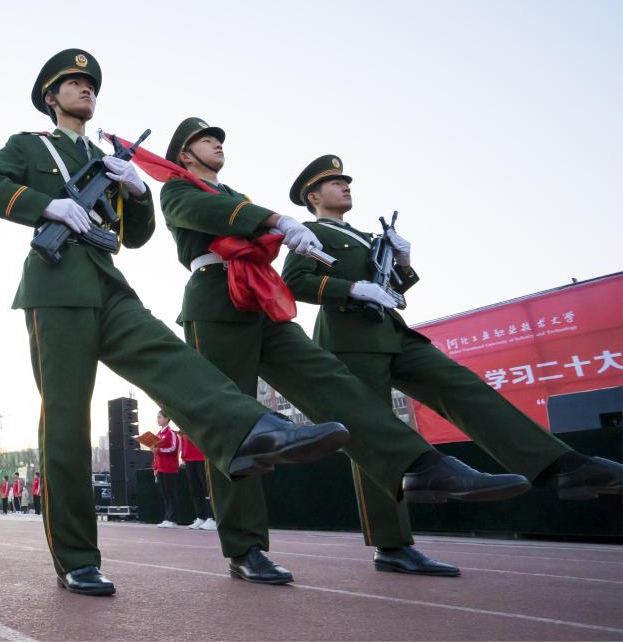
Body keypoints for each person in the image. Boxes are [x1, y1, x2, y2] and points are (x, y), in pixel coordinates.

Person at [0, 48, 350, 596]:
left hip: (108, 282)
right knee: (67, 422)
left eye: (90, 84)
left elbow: (137, 236)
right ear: (51, 98)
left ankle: (253, 429)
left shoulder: (107, 159)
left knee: (171, 358)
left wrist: (136, 189)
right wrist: (46, 206)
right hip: (56, 287)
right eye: (73, 83)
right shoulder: (32, 146)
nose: (86, 90)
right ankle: (76, 557)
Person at [158, 117, 532, 585]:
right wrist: (277, 221)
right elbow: (208, 213)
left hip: (261, 297)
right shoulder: (177, 189)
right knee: (235, 426)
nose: (217, 144)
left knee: (333, 383)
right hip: (216, 300)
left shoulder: (237, 193)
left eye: (218, 138)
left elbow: (248, 225)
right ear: (185, 154)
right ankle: (245, 547)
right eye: (205, 140)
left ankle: (423, 466)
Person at [280, 154, 623, 576]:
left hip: (393, 332)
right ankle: (392, 545)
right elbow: (295, 282)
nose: (345, 186)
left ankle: (563, 467)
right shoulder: (313, 233)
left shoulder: (366, 237)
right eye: (335, 183)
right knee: (375, 435)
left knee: (463, 387)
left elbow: (393, 289)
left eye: (346, 181)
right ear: (313, 197)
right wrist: (352, 289)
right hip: (350, 340)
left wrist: (403, 264)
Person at [179, 430, 214, 530]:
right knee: (195, 490)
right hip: (189, 458)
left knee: (206, 488)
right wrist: (183, 457)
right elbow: (183, 441)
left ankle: (212, 518)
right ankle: (201, 517)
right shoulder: (182, 424)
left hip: (201, 457)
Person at [151, 412, 181, 528]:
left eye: (160, 417)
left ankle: (173, 519)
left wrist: (159, 450)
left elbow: (173, 448)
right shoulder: (158, 434)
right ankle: (167, 517)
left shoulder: (171, 433)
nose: (157, 419)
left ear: (167, 418)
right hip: (160, 468)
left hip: (170, 468)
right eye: (157, 417)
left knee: (171, 493)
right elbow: (156, 454)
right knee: (165, 495)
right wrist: (155, 467)